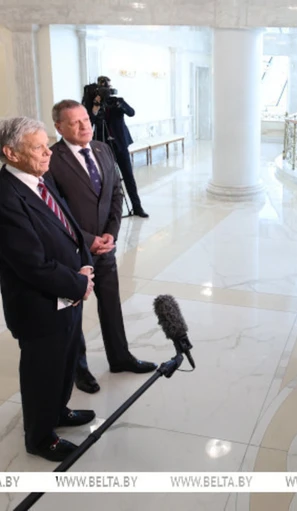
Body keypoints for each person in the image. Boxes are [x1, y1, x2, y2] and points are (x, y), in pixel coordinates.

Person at [0, 117, 96, 461]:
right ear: (11, 153)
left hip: (68, 295)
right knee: (42, 373)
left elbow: (69, 226)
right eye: (38, 147)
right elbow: (32, 264)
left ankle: (58, 411)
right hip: (39, 306)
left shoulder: (41, 178)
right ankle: (40, 437)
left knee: (66, 361)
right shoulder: (5, 197)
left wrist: (86, 264)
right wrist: (80, 283)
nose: (48, 152)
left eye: (47, 144)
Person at [47, 100, 157, 394]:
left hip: (105, 248)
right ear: (59, 127)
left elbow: (116, 192)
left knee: (111, 305)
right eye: (75, 122)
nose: (85, 126)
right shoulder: (52, 159)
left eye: (86, 119)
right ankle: (79, 370)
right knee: (73, 315)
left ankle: (120, 357)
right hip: (71, 252)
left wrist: (111, 234)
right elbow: (53, 211)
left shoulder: (102, 149)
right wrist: (87, 239)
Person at [84, 76, 148, 217]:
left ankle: (137, 207)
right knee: (107, 179)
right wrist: (95, 106)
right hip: (102, 147)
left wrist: (120, 105)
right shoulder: (94, 104)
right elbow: (89, 123)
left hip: (120, 144)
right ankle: (108, 211)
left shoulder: (118, 101)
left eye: (107, 88)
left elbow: (131, 112)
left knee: (128, 176)